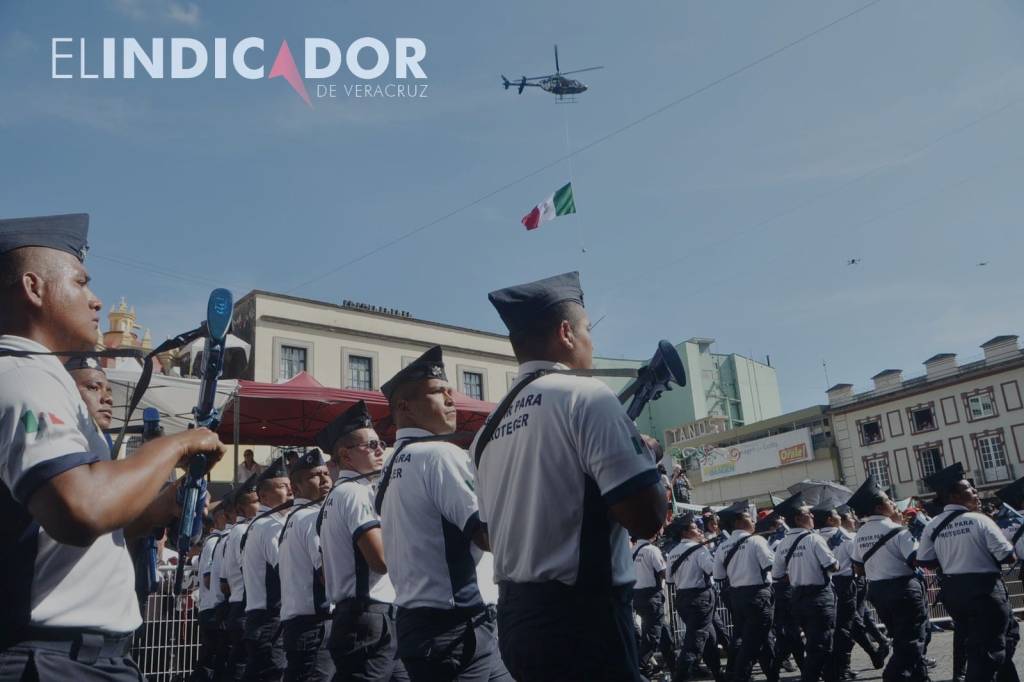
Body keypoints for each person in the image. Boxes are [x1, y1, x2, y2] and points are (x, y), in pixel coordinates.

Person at [0, 213, 226, 681]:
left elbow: (87, 530)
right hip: (52, 658)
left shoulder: (35, 375)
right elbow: (81, 510)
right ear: (33, 287)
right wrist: (176, 445)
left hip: (80, 656)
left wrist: (162, 503)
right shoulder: (23, 374)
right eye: (80, 282)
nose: (97, 299)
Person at [472, 272, 666, 682]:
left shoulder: (487, 429)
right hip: (584, 620)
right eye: (588, 330)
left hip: (516, 619)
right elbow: (647, 519)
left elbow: (487, 533)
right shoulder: (587, 396)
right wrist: (646, 458)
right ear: (566, 333)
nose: (592, 343)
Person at [376, 346, 509, 682]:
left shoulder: (390, 464)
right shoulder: (439, 454)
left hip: (420, 624)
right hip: (455, 628)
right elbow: (490, 535)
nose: (452, 400)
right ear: (404, 407)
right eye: (438, 392)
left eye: (451, 392)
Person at [316, 400, 409, 682]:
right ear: (346, 456)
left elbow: (324, 573)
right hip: (369, 614)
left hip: (360, 615)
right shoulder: (356, 493)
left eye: (382, 444)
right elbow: (380, 561)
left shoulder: (334, 497)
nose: (381, 450)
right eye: (371, 445)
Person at [917, 463, 1016, 682]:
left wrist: (950, 556)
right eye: (969, 489)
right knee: (992, 649)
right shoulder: (979, 519)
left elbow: (925, 561)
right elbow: (1008, 557)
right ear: (954, 496)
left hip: (954, 593)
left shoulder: (932, 525)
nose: (975, 491)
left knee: (980, 644)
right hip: (985, 591)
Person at [848, 476, 930, 682]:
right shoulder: (898, 531)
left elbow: (858, 568)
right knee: (912, 641)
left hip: (877, 591)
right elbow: (917, 560)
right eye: (888, 500)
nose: (893, 503)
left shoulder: (860, 533)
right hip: (903, 589)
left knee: (901, 637)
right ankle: (893, 676)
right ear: (878, 507)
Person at [278, 449, 334, 682]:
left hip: (298, 624)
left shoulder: (292, 519)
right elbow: (327, 575)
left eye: (326, 473)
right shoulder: (313, 518)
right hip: (315, 623)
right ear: (296, 487)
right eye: (315, 475)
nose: (325, 480)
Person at [813, 505, 887, 680]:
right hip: (847, 583)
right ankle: (845, 665)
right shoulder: (845, 537)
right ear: (830, 519)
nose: (840, 517)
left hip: (825, 585)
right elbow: (857, 561)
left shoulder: (814, 538)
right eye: (836, 515)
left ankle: (850, 661)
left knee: (844, 624)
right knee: (848, 625)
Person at [770, 494, 838, 682]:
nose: (813, 516)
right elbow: (832, 566)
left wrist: (797, 573)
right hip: (819, 596)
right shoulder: (814, 539)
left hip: (797, 597)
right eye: (809, 513)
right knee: (822, 644)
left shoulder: (783, 543)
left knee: (815, 642)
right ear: (799, 518)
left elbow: (777, 574)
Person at [713, 500, 777, 682]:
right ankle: (739, 676)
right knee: (753, 643)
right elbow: (771, 566)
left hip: (737, 597)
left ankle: (772, 675)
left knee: (761, 638)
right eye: (750, 517)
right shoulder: (756, 540)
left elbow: (718, 576)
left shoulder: (722, 546)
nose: (754, 521)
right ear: (738, 522)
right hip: (758, 595)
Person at [241, 458, 294, 681]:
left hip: (260, 619)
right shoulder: (270, 526)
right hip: (270, 619)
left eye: (290, 485)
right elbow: (287, 570)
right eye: (283, 486)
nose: (290, 490)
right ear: (263, 496)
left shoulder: (258, 524)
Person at [666, 513, 722, 682]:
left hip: (683, 598)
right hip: (700, 598)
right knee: (694, 643)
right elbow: (713, 570)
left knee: (710, 638)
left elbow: (669, 579)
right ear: (684, 532)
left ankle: (719, 674)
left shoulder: (673, 552)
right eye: (695, 528)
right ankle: (680, 677)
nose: (699, 531)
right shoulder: (699, 549)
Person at [222, 474, 263, 680]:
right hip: (244, 605)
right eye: (256, 502)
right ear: (241, 509)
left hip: (240, 605)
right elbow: (247, 567)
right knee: (244, 667)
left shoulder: (239, 530)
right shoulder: (242, 531)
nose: (261, 505)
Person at [192, 502, 233, 681]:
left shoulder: (218, 540)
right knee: (211, 661)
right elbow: (208, 579)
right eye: (227, 514)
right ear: (218, 518)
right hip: (212, 609)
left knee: (214, 659)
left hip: (212, 609)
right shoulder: (214, 541)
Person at [632, 533, 675, 676]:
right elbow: (664, 573)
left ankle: (674, 667)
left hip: (637, 596)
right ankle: (639, 667)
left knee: (664, 633)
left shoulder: (632, 550)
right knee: (652, 636)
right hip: (652, 597)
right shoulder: (652, 550)